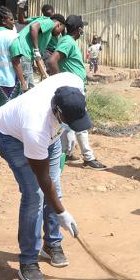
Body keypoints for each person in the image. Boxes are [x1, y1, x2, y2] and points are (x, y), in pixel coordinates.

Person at [0, 72, 90, 280]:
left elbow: (52, 182)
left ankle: (52, 243)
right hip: (12, 136)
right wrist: (62, 212)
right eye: (69, 121)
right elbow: (43, 177)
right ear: (57, 112)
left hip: (50, 135)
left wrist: (69, 129)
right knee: (34, 194)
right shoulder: (35, 126)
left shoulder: (73, 84)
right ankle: (28, 260)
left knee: (56, 187)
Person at [48, 15, 107, 171]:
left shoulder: (67, 41)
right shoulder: (67, 42)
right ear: (79, 29)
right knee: (80, 122)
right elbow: (53, 61)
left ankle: (65, 152)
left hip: (72, 87)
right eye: (83, 28)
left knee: (67, 124)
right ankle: (88, 157)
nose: (83, 31)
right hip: (72, 89)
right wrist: (59, 82)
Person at [0, 5, 20, 154]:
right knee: (7, 112)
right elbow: (16, 61)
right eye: (11, 19)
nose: (13, 22)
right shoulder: (12, 36)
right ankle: (3, 143)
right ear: (3, 20)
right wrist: (24, 81)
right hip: (8, 81)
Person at [9, 13, 65, 91]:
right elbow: (34, 27)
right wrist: (36, 49)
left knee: (21, 87)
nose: (59, 34)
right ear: (59, 24)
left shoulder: (45, 32)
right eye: (61, 30)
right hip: (24, 55)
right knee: (28, 90)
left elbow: (38, 58)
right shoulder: (50, 23)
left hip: (21, 55)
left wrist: (45, 75)